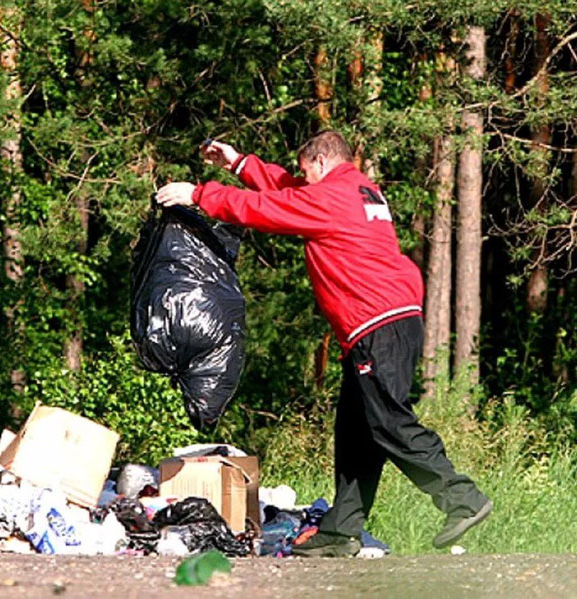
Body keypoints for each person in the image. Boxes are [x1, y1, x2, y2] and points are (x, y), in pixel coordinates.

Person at [155, 131, 492, 557]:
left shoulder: (332, 199)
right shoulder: (358, 189)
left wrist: (200, 194)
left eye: (304, 169)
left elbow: (268, 209)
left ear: (319, 162)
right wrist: (238, 163)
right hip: (386, 322)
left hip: (376, 325)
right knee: (355, 432)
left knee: (388, 421)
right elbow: (289, 193)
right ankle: (340, 531)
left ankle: (461, 498)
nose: (301, 176)